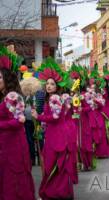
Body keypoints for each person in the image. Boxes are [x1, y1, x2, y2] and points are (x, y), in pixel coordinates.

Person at [32, 58, 74, 199]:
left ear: (57, 86)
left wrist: (39, 117)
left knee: (54, 165)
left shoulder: (55, 98)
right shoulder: (51, 98)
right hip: (53, 134)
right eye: (47, 83)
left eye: (52, 84)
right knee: (53, 166)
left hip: (57, 136)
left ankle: (56, 193)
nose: (49, 86)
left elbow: (55, 117)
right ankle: (59, 192)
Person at [0, 54, 35, 200]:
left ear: (7, 79)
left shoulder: (13, 97)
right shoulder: (3, 97)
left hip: (13, 146)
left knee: (13, 182)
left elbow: (17, 122)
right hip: (4, 145)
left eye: (0, 77)